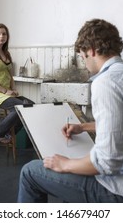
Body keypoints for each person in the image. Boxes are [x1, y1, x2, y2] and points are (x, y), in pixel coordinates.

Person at [17, 19, 123, 203]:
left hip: (115, 190)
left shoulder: (105, 82)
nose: (85, 64)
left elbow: (107, 162)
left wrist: (65, 164)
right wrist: (83, 127)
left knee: (30, 171)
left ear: (91, 50)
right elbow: (117, 123)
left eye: (83, 58)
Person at [0, 23, 34, 144]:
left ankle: (10, 133)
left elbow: (10, 77)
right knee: (19, 107)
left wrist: (13, 90)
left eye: (4, 34)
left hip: (5, 92)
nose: (1, 36)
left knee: (31, 105)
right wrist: (5, 91)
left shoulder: (7, 54)